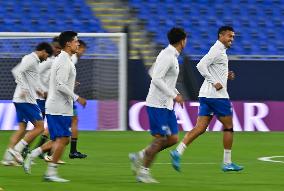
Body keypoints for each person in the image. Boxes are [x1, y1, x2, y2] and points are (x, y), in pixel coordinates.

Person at [170, 26, 244, 172]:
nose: (232, 39)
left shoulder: (220, 50)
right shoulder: (217, 49)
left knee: (200, 128)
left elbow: (212, 68)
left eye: (233, 37)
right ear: (221, 36)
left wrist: (225, 75)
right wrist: (213, 81)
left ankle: (177, 152)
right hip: (217, 97)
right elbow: (201, 65)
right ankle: (227, 163)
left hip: (206, 95)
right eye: (229, 36)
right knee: (229, 127)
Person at [129, 27, 187, 183]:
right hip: (157, 104)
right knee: (160, 139)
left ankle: (140, 156)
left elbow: (153, 73)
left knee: (173, 138)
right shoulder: (167, 55)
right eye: (185, 39)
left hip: (166, 105)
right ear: (182, 41)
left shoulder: (171, 56)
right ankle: (143, 173)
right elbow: (156, 78)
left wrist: (175, 94)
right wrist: (174, 94)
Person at [43, 31, 86, 182]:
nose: (78, 44)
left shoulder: (66, 59)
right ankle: (50, 173)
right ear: (68, 43)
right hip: (58, 106)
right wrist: (77, 97)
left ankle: (36, 156)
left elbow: (60, 82)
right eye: (76, 41)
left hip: (61, 106)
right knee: (62, 139)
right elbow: (60, 84)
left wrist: (71, 86)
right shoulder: (63, 60)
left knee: (62, 139)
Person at [2, 42, 53, 165]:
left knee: (22, 129)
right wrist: (25, 89)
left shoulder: (31, 60)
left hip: (20, 99)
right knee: (40, 126)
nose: (46, 58)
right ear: (43, 51)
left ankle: (8, 158)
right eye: (47, 55)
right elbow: (16, 71)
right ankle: (17, 150)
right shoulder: (31, 59)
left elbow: (30, 79)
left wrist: (39, 91)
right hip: (25, 99)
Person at [69, 40, 88, 159]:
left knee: (71, 120)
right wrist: (77, 98)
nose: (83, 53)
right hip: (65, 97)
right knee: (73, 120)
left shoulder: (69, 58)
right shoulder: (73, 58)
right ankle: (39, 151)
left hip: (61, 96)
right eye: (83, 50)